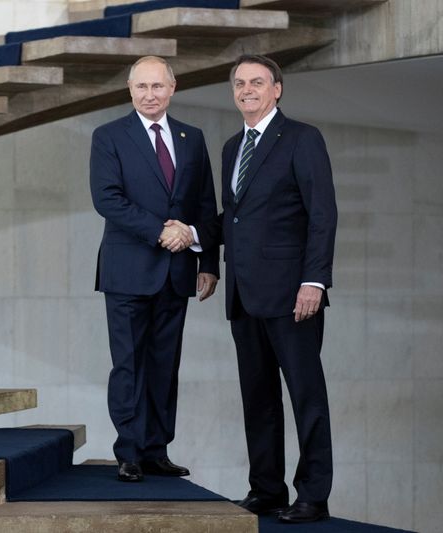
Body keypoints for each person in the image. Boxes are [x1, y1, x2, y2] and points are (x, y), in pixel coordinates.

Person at [213, 54, 337, 523]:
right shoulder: (231, 147)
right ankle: (266, 488)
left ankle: (313, 496)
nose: (248, 89)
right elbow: (236, 218)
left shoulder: (302, 138)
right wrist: (201, 241)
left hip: (293, 295)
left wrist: (315, 280)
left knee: (306, 396)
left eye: (258, 82)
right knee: (258, 397)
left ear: (277, 89)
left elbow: (322, 214)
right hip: (244, 295)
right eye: (240, 83)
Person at [90, 55, 220, 483]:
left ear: (173, 88)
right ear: (130, 90)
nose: (150, 94)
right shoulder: (109, 136)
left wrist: (207, 260)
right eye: (142, 87)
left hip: (177, 272)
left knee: (165, 365)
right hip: (128, 271)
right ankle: (128, 451)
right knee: (129, 365)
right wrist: (162, 231)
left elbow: (205, 203)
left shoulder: (192, 137)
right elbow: (107, 199)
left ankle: (156, 450)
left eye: (157, 86)